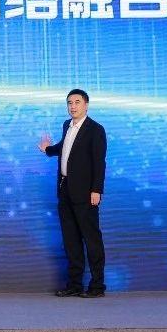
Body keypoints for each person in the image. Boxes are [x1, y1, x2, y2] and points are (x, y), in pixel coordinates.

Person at [38, 89, 107, 298]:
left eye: (77, 102)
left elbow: (99, 163)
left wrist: (97, 190)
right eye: (70, 103)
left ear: (86, 105)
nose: (73, 106)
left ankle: (97, 286)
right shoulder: (66, 125)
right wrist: (48, 149)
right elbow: (65, 148)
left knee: (91, 239)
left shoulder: (95, 130)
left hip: (86, 193)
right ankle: (74, 284)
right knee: (71, 240)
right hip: (65, 189)